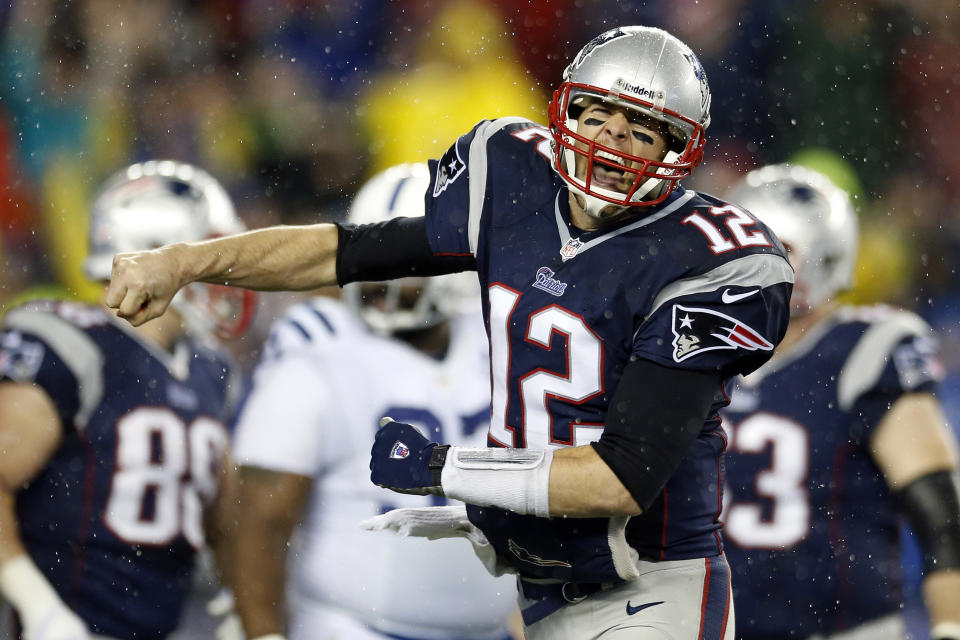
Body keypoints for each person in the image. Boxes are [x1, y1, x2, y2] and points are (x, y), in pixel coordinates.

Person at [106, 26, 794, 639]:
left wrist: (448, 471)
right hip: (547, 588)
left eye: (641, 129)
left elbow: (621, 478)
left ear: (678, 151)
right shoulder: (514, 177)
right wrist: (186, 261)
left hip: (654, 586)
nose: (612, 139)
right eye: (599, 113)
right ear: (567, 109)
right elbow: (340, 252)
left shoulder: (716, 259)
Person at [228, 162, 518, 640]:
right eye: (372, 252)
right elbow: (260, 519)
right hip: (354, 627)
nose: (381, 276)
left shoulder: (497, 343)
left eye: (402, 258)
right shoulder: (320, 346)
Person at [0, 160, 254, 640]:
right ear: (155, 249)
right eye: (211, 251)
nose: (225, 271)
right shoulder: (69, 342)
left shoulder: (211, 368)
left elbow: (223, 519)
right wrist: (37, 606)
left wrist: (238, 608)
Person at [719, 164, 960, 640]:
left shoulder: (867, 348)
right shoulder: (694, 349)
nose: (753, 265)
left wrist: (950, 626)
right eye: (741, 246)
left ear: (824, 258)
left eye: (775, 248)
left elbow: (941, 516)